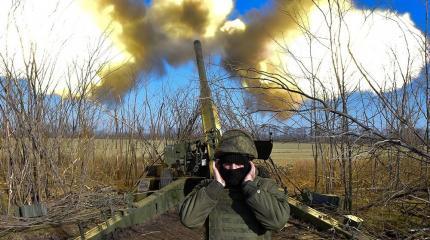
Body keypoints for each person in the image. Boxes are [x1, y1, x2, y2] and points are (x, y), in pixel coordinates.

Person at [180, 129, 290, 240]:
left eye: (238, 163)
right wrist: (217, 185)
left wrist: (249, 187)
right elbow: (189, 220)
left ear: (249, 164)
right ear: (218, 165)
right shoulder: (209, 188)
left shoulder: (265, 186)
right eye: (227, 163)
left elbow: (278, 222)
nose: (233, 168)